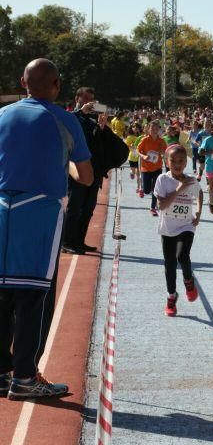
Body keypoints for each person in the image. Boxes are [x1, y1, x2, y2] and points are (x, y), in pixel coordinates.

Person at [0, 58, 93, 399]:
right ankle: (24, 376)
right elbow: (85, 175)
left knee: (3, 292)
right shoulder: (63, 119)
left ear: (23, 82)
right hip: (39, 211)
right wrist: (64, 166)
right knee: (33, 295)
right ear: (56, 84)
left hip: (2, 208)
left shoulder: (2, 115)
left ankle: (1, 371)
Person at [62, 86, 122, 254]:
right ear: (77, 99)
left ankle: (79, 241)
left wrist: (103, 128)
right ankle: (67, 241)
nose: (89, 103)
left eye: (92, 100)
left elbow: (100, 144)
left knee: (88, 208)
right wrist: (81, 111)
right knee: (75, 207)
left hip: (94, 170)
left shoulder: (92, 121)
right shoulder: (71, 117)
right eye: (86, 99)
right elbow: (65, 126)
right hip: (77, 169)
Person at [154, 144, 202, 317]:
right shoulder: (162, 180)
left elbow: (199, 194)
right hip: (167, 228)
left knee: (182, 256)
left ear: (186, 162)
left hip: (186, 225)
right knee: (169, 264)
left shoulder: (191, 180)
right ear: (167, 162)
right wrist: (180, 189)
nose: (177, 164)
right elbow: (162, 205)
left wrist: (198, 213)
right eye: (173, 160)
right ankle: (171, 296)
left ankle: (189, 281)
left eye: (181, 161)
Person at [137, 121, 168, 216]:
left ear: (159, 130)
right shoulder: (145, 140)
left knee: (156, 189)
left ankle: (153, 208)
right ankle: (143, 189)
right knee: (147, 190)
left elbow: (165, 152)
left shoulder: (161, 141)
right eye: (152, 129)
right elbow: (138, 150)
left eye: (156, 129)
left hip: (157, 168)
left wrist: (163, 153)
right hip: (146, 168)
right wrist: (143, 156)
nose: (154, 131)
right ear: (149, 129)